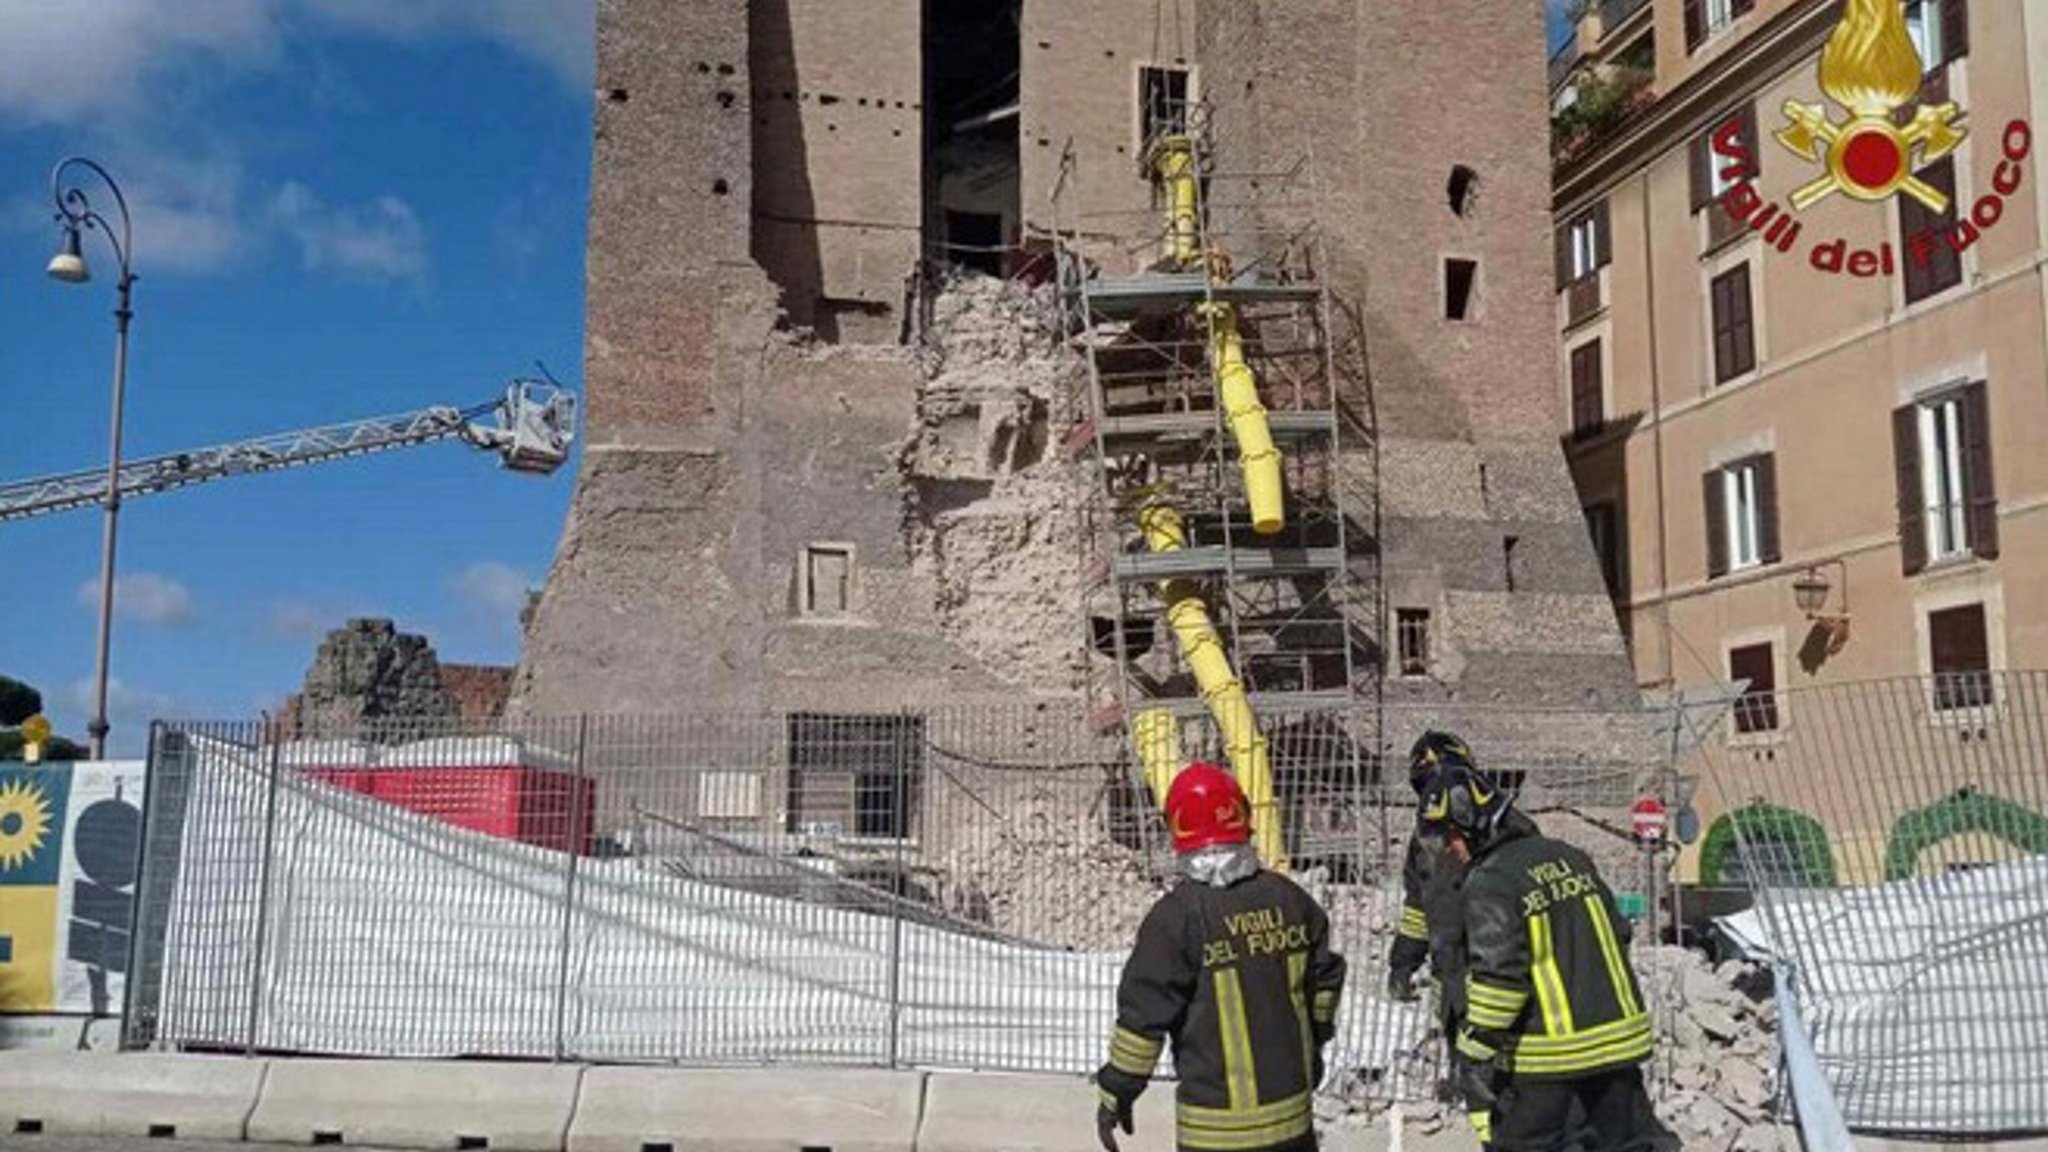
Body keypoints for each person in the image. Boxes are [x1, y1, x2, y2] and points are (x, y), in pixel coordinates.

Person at [1422, 759, 1678, 1152]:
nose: (1449, 851)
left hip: (1548, 1056)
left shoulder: (1491, 881)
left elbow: (1501, 981)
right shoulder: (1569, 856)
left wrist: (1473, 1053)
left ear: (1473, 826)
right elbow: (1619, 933)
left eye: (1450, 838)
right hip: (1619, 1044)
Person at [1094, 761, 1348, 1152]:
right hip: (1293, 1124)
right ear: (1242, 814)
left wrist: (1117, 1090)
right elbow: (1325, 982)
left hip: (1216, 1133)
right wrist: (1314, 1042)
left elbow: (1143, 1019)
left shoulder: (1176, 918)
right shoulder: (1290, 900)